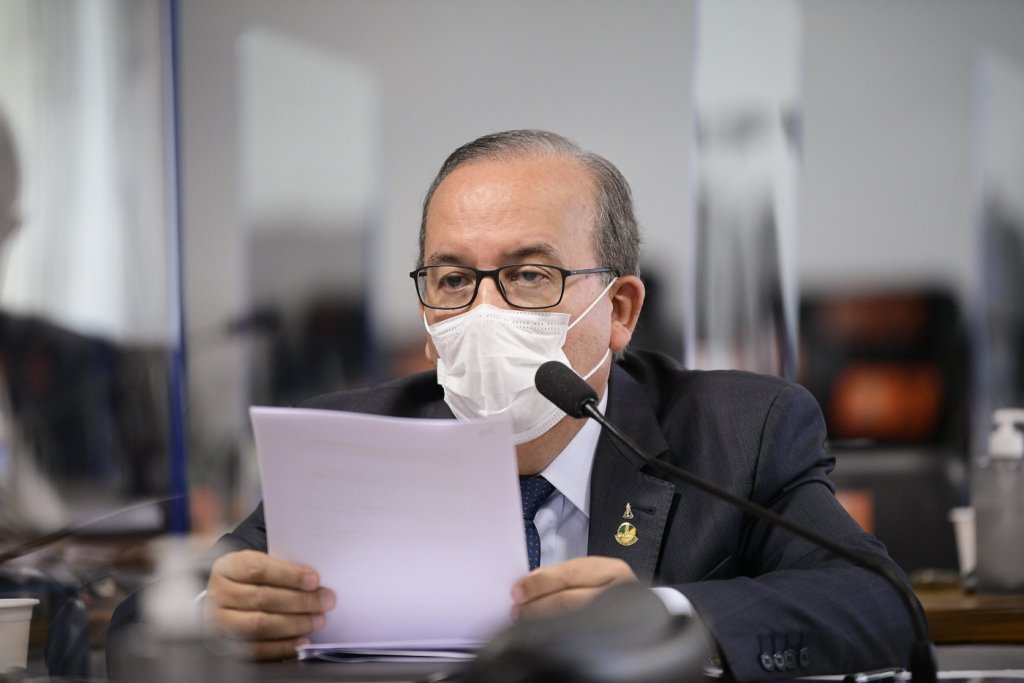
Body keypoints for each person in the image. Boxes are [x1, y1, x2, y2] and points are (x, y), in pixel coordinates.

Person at [160, 130, 919, 680]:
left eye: (528, 275)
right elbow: (153, 610)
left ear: (619, 310)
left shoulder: (739, 431)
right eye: (454, 280)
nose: (483, 312)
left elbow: (877, 605)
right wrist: (210, 611)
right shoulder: (350, 438)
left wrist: (665, 615)